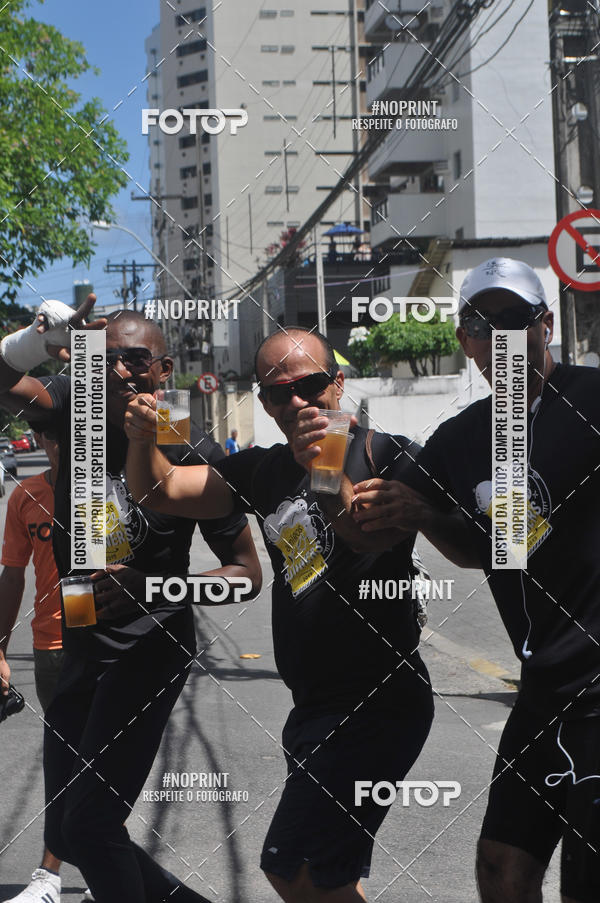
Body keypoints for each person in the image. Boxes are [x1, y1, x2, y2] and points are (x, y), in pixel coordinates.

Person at [123, 325, 478, 903]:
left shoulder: (387, 454)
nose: (296, 402)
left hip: (377, 705)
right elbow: (163, 491)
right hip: (312, 706)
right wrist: (143, 439)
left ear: (338, 384)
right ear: (262, 403)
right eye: (277, 393)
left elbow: (365, 536)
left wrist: (322, 461)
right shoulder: (264, 468)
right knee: (304, 872)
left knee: (304, 870)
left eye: (309, 385)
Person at [351, 258, 600, 903]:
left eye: (515, 321)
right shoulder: (461, 440)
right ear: (464, 340)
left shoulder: (593, 399)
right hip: (543, 684)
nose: (500, 339)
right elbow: (480, 546)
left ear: (545, 326)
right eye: (481, 324)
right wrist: (335, 468)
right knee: (499, 867)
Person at [0, 299, 262, 903]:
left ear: (164, 370)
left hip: (150, 653)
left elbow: (246, 574)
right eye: (109, 358)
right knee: (75, 823)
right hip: (79, 647)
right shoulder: (76, 420)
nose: (120, 371)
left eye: (136, 360)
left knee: (88, 827)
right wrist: (38, 341)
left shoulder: (191, 450)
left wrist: (156, 587)